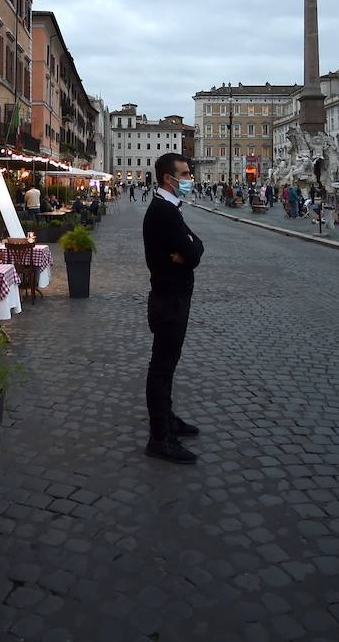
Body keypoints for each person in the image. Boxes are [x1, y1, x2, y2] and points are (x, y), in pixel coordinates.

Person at [142, 152, 205, 464]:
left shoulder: (169, 208)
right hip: (169, 300)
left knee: (166, 366)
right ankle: (159, 437)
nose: (189, 180)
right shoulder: (163, 212)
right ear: (169, 179)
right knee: (162, 368)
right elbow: (192, 253)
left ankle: (167, 419)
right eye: (184, 175)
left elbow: (196, 245)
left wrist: (190, 249)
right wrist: (189, 251)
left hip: (172, 298)